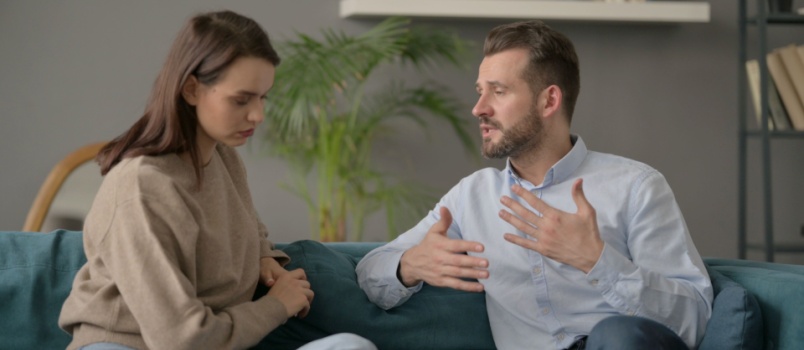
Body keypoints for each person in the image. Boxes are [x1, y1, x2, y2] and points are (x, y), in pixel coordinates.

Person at [356, 20, 712, 350]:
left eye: (498, 92)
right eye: (481, 91)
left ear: (549, 101)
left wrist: (597, 261)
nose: (479, 108)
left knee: (615, 334)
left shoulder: (636, 187)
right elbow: (371, 269)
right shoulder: (473, 196)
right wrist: (410, 265)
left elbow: (695, 317)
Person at [58, 10, 376, 350]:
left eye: (263, 96)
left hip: (218, 339)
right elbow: (180, 339)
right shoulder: (142, 187)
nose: (258, 115)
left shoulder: (224, 158)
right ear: (192, 89)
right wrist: (277, 305)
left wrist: (264, 261)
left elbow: (251, 231)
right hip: (132, 345)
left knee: (350, 347)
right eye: (241, 99)